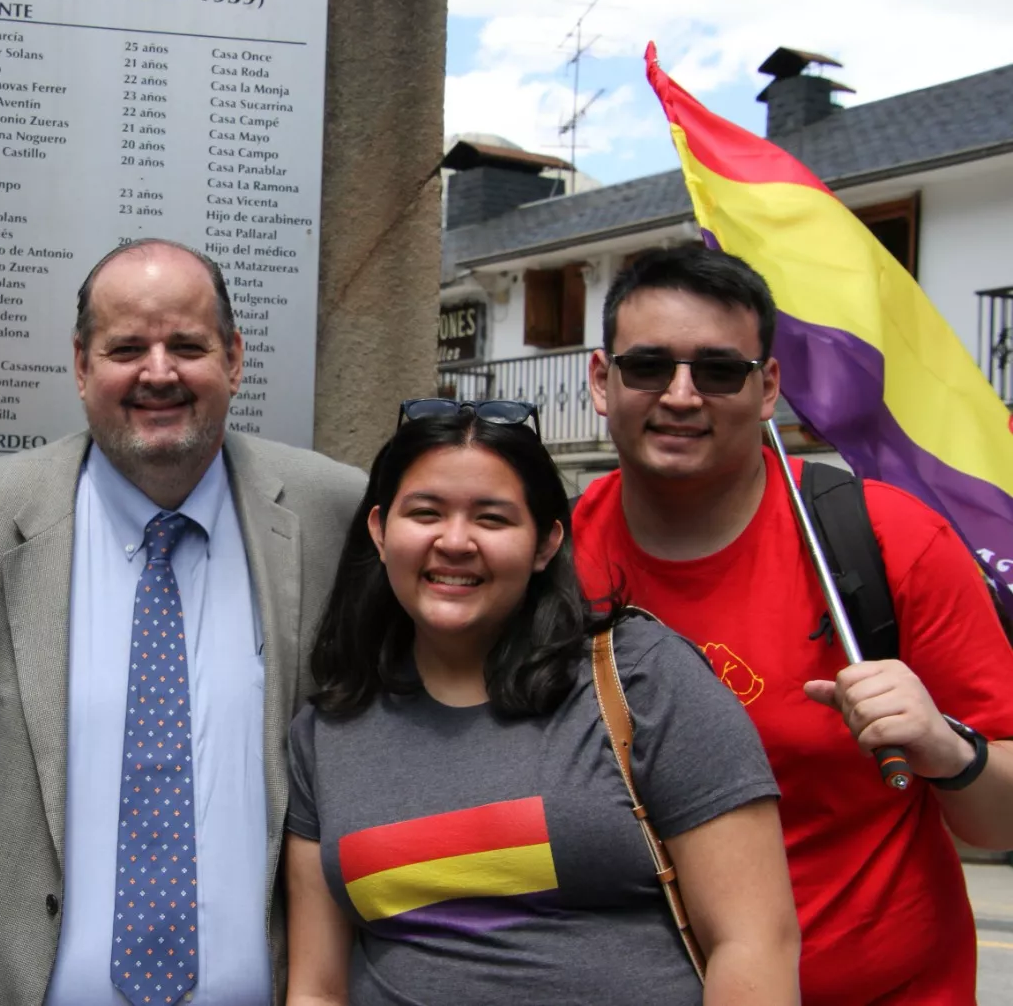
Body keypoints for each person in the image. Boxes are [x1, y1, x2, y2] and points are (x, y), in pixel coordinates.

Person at [0, 238, 366, 1005]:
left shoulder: (335, 516)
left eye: (187, 345)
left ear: (235, 360)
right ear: (81, 367)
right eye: (125, 348)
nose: (158, 372)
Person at [574, 244, 1013, 1005]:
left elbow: (998, 825)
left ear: (768, 386)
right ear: (602, 381)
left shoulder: (887, 543)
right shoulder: (550, 564)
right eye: (648, 367)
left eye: (718, 370)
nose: (681, 395)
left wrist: (946, 747)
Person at [284, 400, 800, 1005]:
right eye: (425, 513)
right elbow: (318, 989)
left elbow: (755, 940)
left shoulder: (641, 680)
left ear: (546, 543)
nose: (455, 542)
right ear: (379, 531)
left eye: (493, 519)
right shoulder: (327, 732)